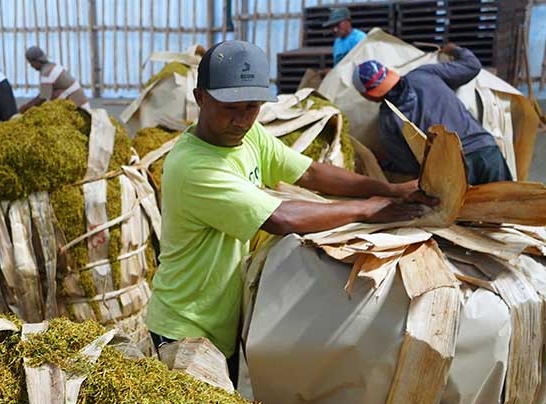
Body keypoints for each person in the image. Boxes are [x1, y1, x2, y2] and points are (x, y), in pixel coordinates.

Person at [145, 41, 436, 378]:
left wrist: (387, 188)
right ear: (200, 98)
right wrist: (368, 210)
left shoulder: (248, 136)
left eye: (252, 107)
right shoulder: (193, 168)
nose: (241, 120)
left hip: (219, 325)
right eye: (230, 107)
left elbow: (310, 173)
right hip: (183, 329)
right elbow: (280, 218)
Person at [354, 45, 511, 185]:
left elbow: (410, 165)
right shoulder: (424, 74)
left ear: (369, 96)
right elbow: (472, 66)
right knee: (510, 208)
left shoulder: (388, 121)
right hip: (487, 151)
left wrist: (382, 162)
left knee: (468, 217)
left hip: (453, 171)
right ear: (389, 73)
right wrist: (454, 50)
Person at [19, 46, 90, 112]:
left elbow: (43, 98)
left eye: (31, 63)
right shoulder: (51, 66)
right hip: (78, 103)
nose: (31, 66)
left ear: (36, 61)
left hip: (78, 107)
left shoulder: (47, 73)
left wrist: (26, 107)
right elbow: (43, 95)